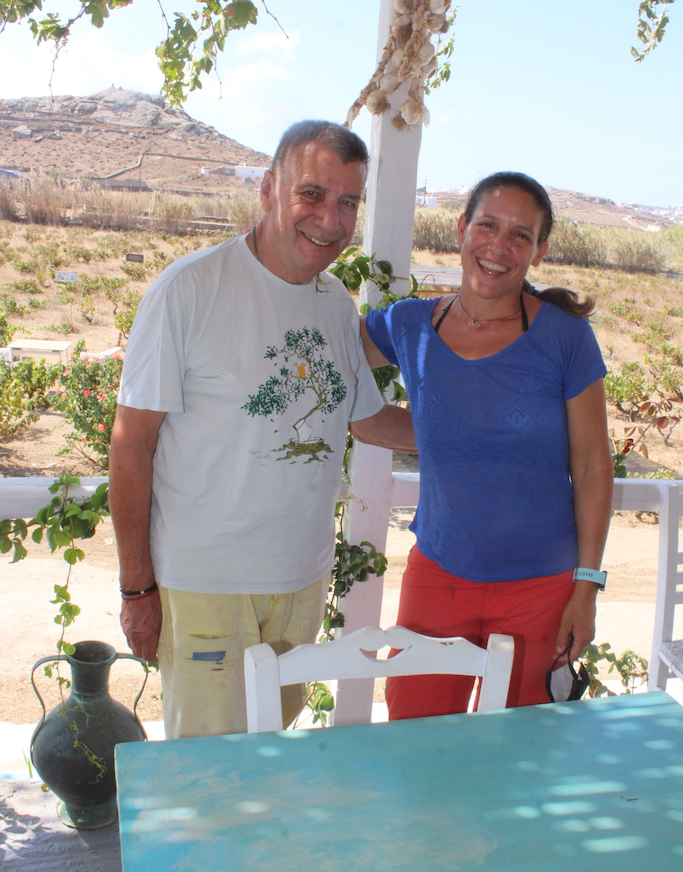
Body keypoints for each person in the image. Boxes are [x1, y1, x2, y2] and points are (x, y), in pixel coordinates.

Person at [108, 119, 415, 738]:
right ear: (270, 189)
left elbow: (369, 420)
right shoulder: (188, 290)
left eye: (348, 202)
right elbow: (130, 446)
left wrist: (481, 432)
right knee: (211, 775)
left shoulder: (335, 305)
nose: (330, 219)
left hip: (299, 580)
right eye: (312, 194)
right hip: (207, 584)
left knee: (270, 758)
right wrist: (138, 591)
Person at [360, 171, 613, 717]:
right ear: (461, 228)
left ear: (539, 251)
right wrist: (365, 420)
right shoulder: (409, 324)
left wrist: (586, 588)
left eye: (521, 235)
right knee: (418, 739)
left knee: (518, 754)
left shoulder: (565, 338)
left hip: (542, 589)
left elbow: (593, 468)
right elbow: (328, 359)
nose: (499, 247)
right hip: (438, 577)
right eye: (488, 225)